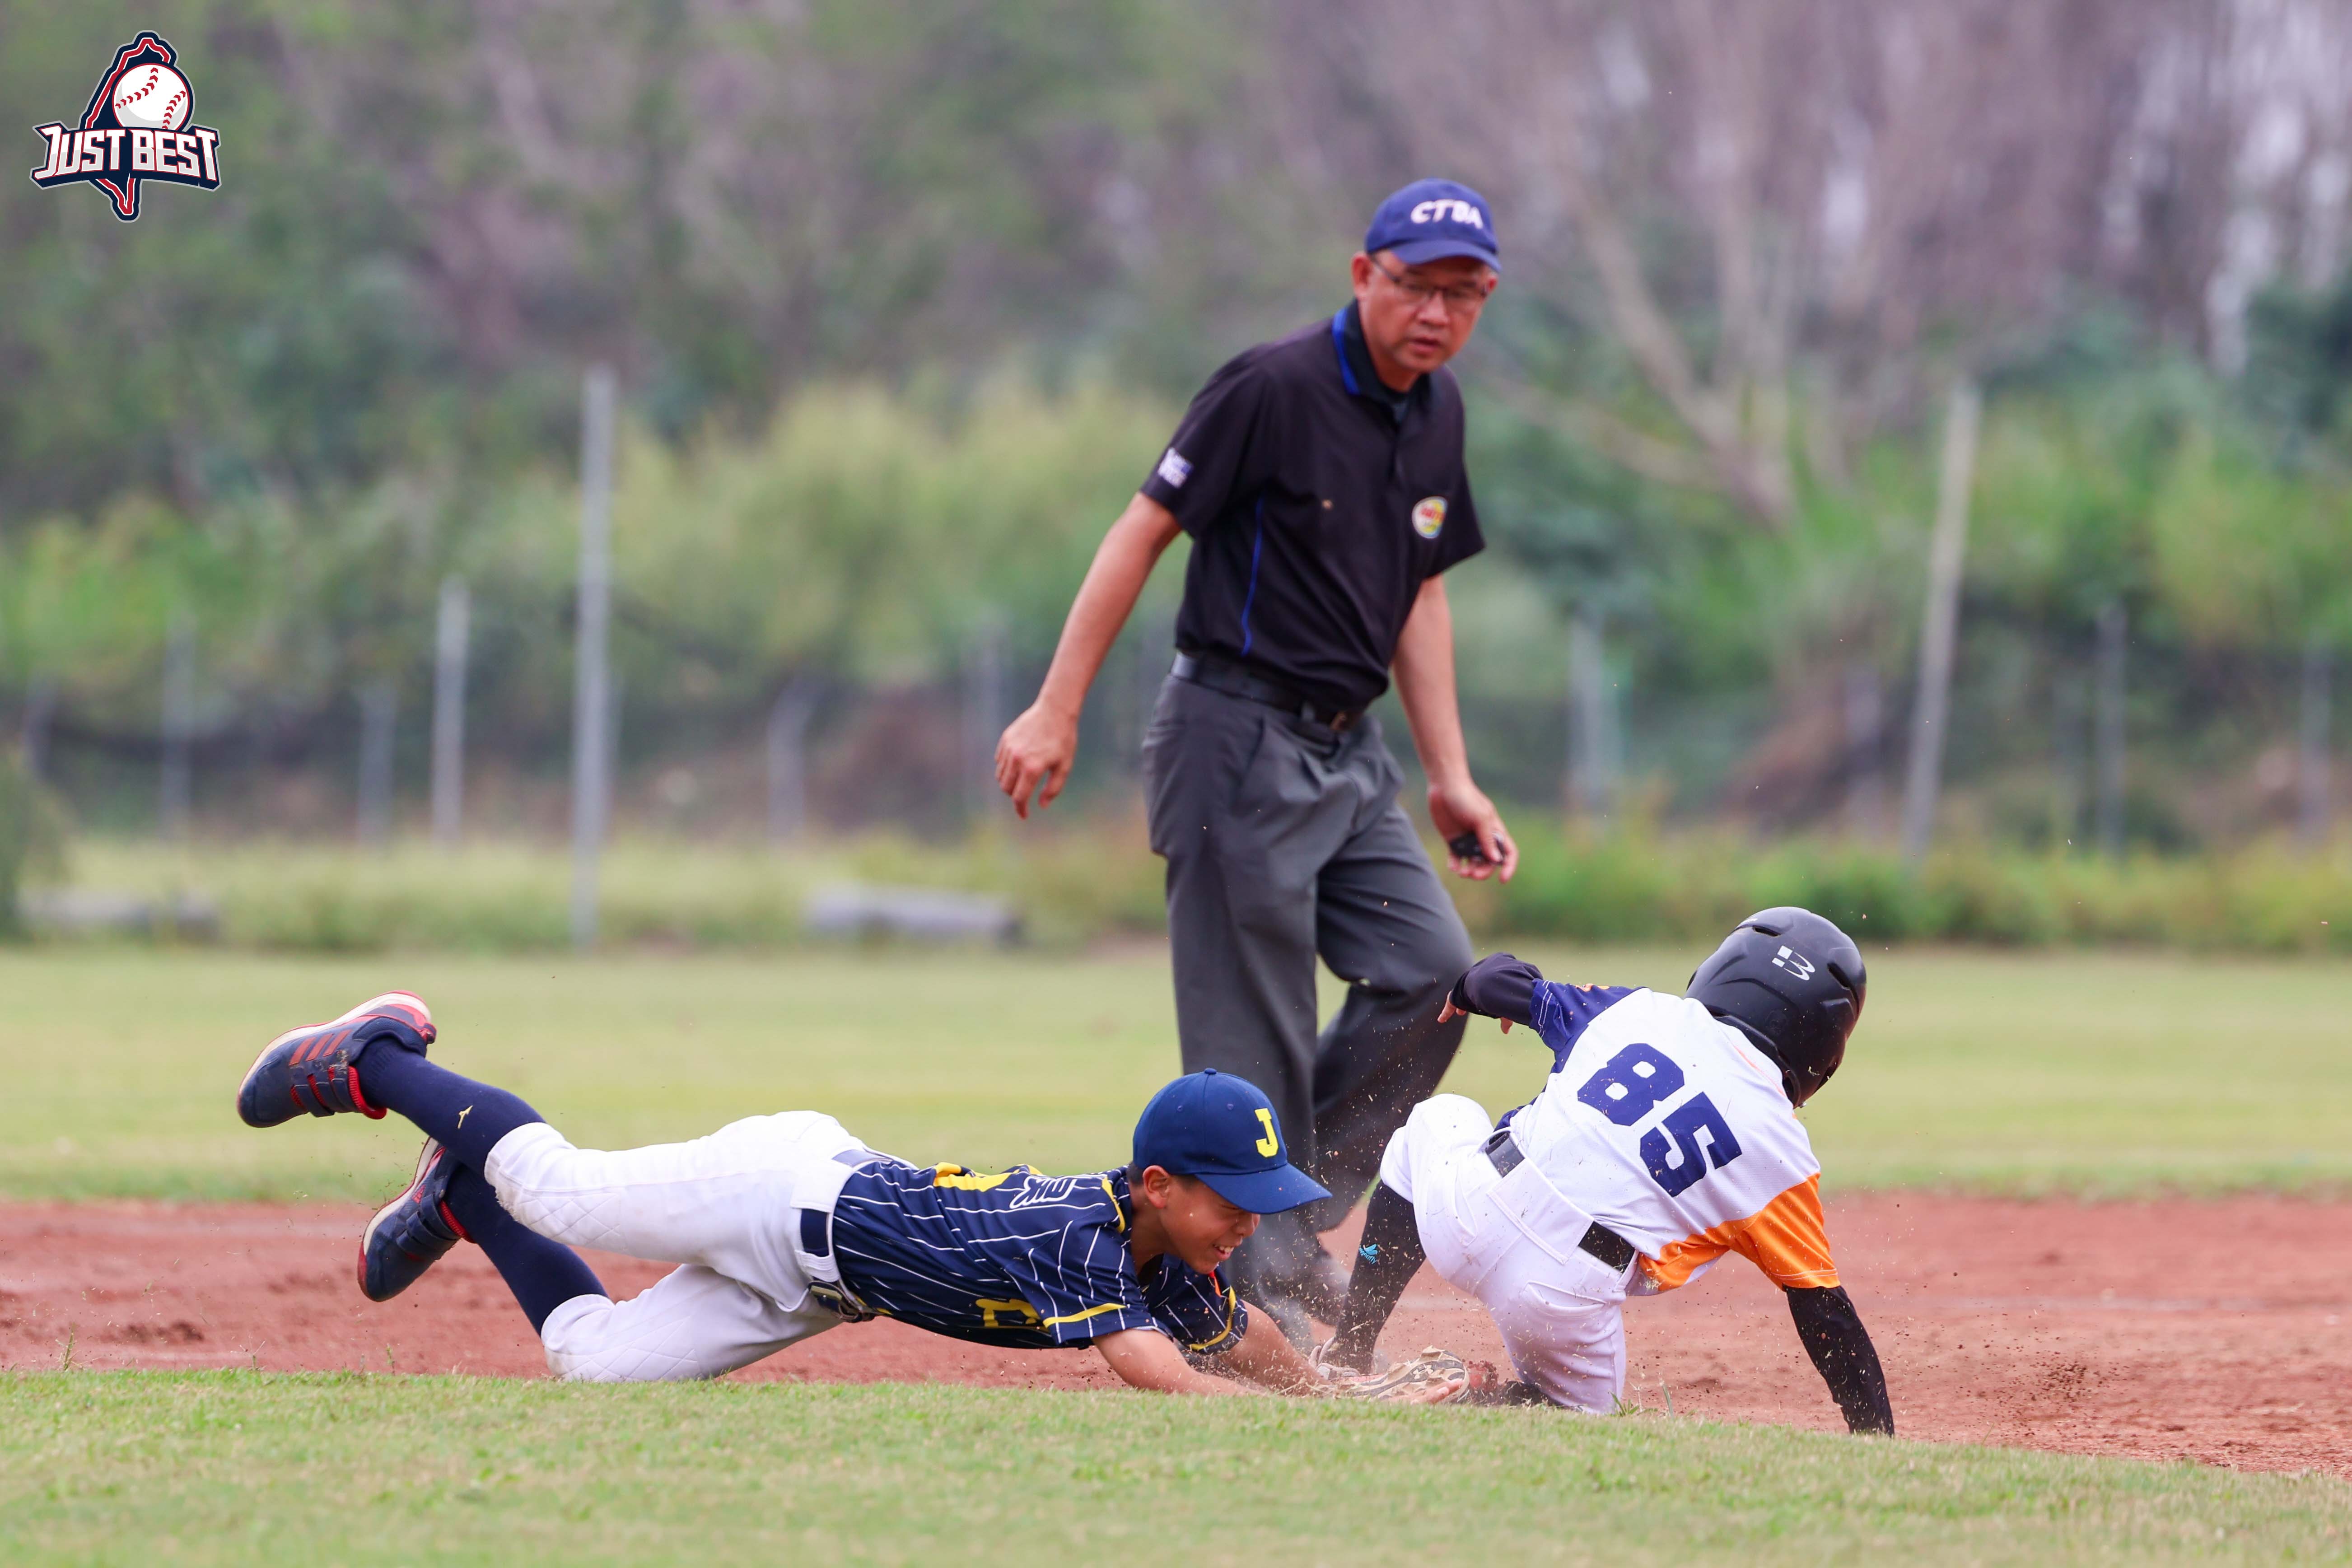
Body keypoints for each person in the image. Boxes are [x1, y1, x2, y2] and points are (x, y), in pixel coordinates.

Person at [994, 178, 1519, 1337]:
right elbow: (1143, 530)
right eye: (1417, 285)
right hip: (1232, 735)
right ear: (1361, 276)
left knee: (1433, 971)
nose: (1438, 312)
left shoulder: (1437, 416)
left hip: (1352, 753)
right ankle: (1267, 1271)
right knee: (1258, 1029)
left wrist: (1449, 774)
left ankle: (1270, 1216)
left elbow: (1419, 594)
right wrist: (1055, 706)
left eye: (1465, 293)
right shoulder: (1270, 389)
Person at [233, 991, 1459, 1398]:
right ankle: (378, 1057)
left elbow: (1237, 1335)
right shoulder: (1077, 1241)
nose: (1250, 1220)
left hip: (823, 1286)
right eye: (1231, 1199)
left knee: (595, 1370)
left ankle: (464, 1204)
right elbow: (1167, 1376)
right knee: (566, 1190)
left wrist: (1342, 1395)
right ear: (1152, 1185)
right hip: (782, 1195)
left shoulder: (1157, 1258)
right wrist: (1311, 1410)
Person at [1321, 909, 1896, 1434]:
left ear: (1722, 969)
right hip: (1560, 1299)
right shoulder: (1782, 1153)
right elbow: (1828, 1319)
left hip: (1469, 1209)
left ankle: (1350, 1353)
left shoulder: (1640, 1010)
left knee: (1437, 1120)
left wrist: (1475, 986)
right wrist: (1877, 1437)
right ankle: (1460, 1403)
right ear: (1822, 1049)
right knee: (1582, 1424)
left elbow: (1493, 983)